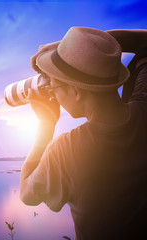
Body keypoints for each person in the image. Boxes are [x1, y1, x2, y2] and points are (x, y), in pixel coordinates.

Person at [19, 27, 147, 239]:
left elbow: (26, 194)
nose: (52, 92)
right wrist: (75, 47)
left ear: (76, 91)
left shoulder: (66, 151)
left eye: (54, 85)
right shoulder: (144, 105)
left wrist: (45, 125)